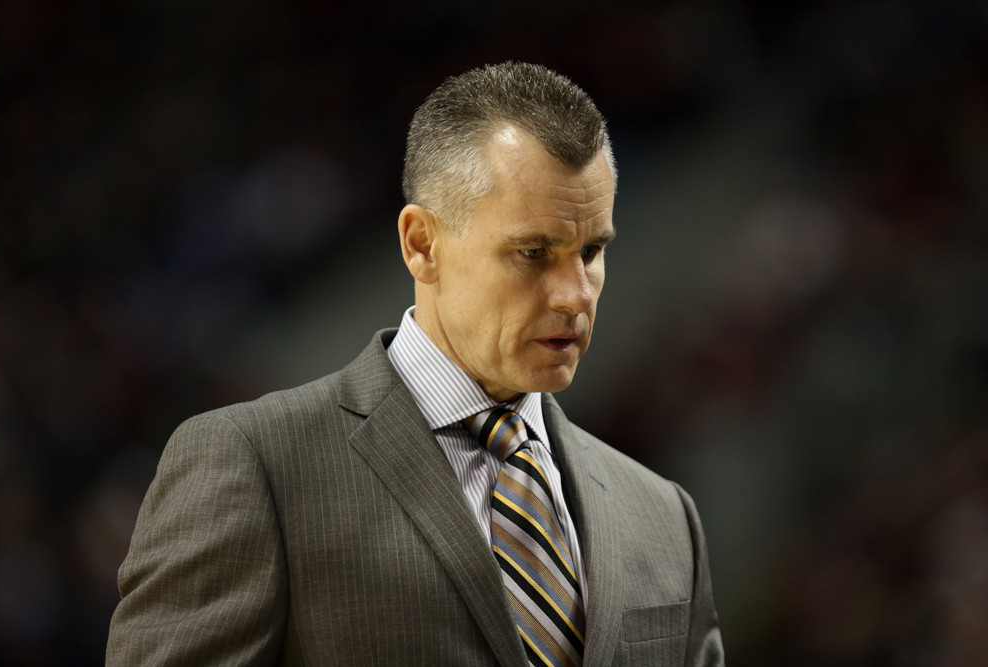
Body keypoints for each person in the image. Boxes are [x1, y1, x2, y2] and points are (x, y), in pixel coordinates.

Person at [107, 62, 724, 666]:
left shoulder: (665, 518)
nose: (575, 294)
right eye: (534, 252)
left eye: (591, 251)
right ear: (422, 244)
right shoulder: (253, 468)